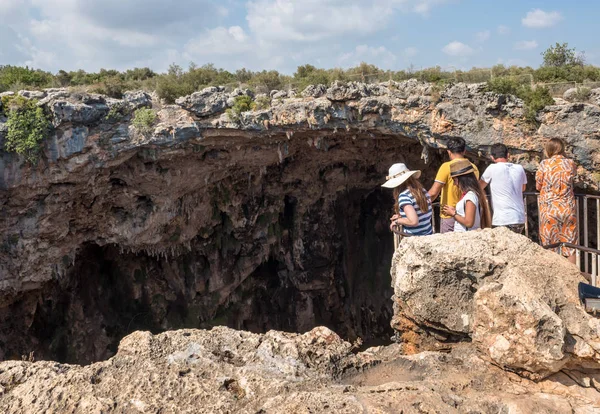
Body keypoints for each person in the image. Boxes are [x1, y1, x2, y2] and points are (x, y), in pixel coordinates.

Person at [536, 138, 577, 264]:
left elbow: (538, 186)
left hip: (549, 209)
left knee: (549, 245)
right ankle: (572, 278)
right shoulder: (570, 163)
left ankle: (553, 277)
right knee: (570, 246)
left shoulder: (544, 164)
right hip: (568, 209)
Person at [428, 137, 479, 233]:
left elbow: (433, 193)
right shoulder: (473, 168)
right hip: (469, 213)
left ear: (448, 152)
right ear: (464, 151)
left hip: (449, 214)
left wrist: (418, 207)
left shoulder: (446, 167)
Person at [479, 143, 527, 234]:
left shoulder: (492, 168)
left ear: (492, 157)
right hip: (518, 218)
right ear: (508, 155)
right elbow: (523, 188)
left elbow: (479, 186)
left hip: (502, 219)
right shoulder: (520, 168)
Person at [382, 163, 433, 236]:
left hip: (414, 239)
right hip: (429, 235)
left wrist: (397, 221)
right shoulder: (422, 191)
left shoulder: (404, 196)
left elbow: (413, 221)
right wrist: (403, 216)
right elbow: (420, 213)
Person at [442, 159, 492, 232]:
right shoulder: (473, 194)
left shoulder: (470, 196)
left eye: (455, 181)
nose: (454, 184)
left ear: (462, 180)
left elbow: (469, 223)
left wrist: (453, 213)